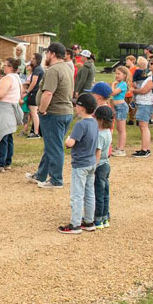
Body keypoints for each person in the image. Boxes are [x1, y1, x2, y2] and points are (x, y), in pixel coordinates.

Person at [27, 41, 74, 189]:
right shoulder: (67, 68)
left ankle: (56, 180)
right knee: (51, 146)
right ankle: (41, 174)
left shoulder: (53, 70)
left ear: (52, 54)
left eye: (47, 53)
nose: (46, 55)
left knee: (54, 148)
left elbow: (48, 92)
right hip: (65, 111)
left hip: (54, 113)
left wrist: (41, 110)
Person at [59, 93, 99, 233]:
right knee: (89, 193)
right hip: (91, 162)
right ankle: (89, 221)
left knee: (77, 193)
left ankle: (75, 224)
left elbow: (70, 143)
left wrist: (68, 139)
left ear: (82, 108)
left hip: (80, 164)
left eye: (77, 105)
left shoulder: (80, 125)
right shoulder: (94, 122)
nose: (75, 107)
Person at [0, 58, 22, 173]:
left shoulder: (8, 78)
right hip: (10, 109)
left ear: (11, 67)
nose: (4, 67)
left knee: (1, 136)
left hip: (3, 110)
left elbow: (1, 94)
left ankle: (0, 164)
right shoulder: (16, 78)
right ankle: (7, 162)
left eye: (6, 65)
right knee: (8, 137)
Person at [93, 105, 114, 229]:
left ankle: (98, 218)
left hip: (100, 165)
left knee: (98, 193)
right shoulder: (108, 132)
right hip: (106, 164)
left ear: (99, 120)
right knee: (105, 192)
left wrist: (93, 166)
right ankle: (105, 216)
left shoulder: (100, 135)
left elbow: (98, 152)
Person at [130, 57, 153, 157]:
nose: (150, 65)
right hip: (143, 102)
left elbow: (144, 90)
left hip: (146, 103)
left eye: (152, 64)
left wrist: (134, 91)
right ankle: (145, 148)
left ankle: (145, 150)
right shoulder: (149, 75)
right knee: (143, 126)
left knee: (144, 126)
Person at [23, 52, 43, 138]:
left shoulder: (37, 69)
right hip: (36, 93)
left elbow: (34, 82)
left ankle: (36, 132)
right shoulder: (39, 69)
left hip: (34, 93)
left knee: (34, 112)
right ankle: (35, 131)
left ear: (37, 60)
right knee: (34, 113)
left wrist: (27, 91)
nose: (31, 60)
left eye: (33, 58)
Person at [110, 66, 129, 156]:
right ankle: (118, 147)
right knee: (118, 128)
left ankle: (121, 149)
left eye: (119, 74)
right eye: (116, 73)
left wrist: (113, 85)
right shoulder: (119, 84)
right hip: (117, 106)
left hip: (121, 107)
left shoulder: (123, 84)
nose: (117, 75)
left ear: (124, 75)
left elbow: (113, 93)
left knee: (122, 129)